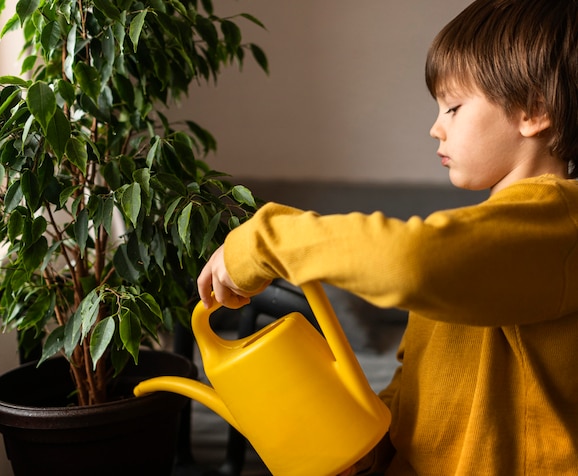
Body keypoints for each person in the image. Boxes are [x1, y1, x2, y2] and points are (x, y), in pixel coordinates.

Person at [196, 0, 578, 474]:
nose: (435, 128)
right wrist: (375, 443)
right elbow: (419, 381)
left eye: (454, 107)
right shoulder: (478, 240)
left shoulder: (560, 224)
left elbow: (411, 260)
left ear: (533, 110)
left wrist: (265, 241)